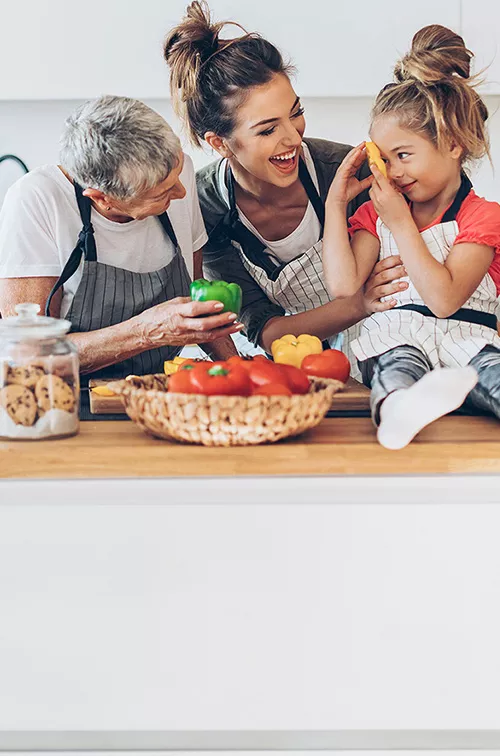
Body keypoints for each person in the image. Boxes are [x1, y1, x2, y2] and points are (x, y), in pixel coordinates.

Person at [163, 1, 407, 366]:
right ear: (219, 143)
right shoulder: (205, 207)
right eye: (268, 129)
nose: (293, 138)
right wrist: (359, 303)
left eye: (296, 113)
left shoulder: (345, 172)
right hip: (283, 368)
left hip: (382, 350)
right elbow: (264, 330)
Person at [323, 24, 500, 449]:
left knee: (492, 372)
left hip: (469, 341)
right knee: (395, 368)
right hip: (398, 338)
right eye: (383, 159)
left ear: (455, 144)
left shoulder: (483, 216)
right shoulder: (374, 213)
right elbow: (344, 287)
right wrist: (335, 204)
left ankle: (443, 393)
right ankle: (402, 410)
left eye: (403, 155)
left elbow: (444, 300)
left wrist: (402, 225)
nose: (393, 171)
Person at [0, 95, 240, 381]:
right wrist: (145, 331)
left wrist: (240, 368)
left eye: (177, 175)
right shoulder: (37, 200)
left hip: (156, 391)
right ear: (103, 199)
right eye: (161, 194)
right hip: (67, 400)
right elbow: (30, 355)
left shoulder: (174, 172)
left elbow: (196, 300)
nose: (181, 193)